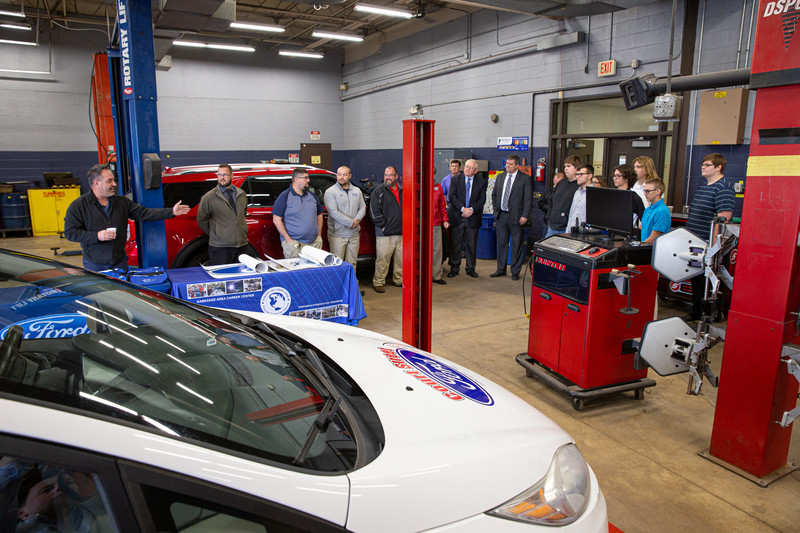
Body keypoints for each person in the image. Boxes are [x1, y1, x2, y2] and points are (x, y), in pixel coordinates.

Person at [64, 164, 190, 271]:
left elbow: (145, 213)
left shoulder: (121, 202)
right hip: (95, 265)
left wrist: (171, 212)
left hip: (120, 262)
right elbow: (70, 233)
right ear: (97, 183)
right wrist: (97, 236)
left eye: (113, 180)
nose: (114, 184)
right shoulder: (79, 206)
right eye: (109, 181)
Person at [684, 153, 734, 321]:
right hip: (695, 243)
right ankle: (696, 312)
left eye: (707, 165)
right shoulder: (704, 186)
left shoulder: (723, 188)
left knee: (707, 282)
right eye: (703, 165)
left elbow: (723, 219)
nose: (703, 167)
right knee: (696, 281)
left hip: (708, 245)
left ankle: (710, 315)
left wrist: (714, 248)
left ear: (718, 167)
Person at [196, 164, 248, 266]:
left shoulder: (241, 194)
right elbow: (201, 219)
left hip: (242, 245)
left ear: (232, 176)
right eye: (219, 175)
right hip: (220, 248)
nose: (222, 178)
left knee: (242, 277)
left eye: (225, 175)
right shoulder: (209, 197)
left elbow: (243, 213)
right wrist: (217, 234)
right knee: (222, 278)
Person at [490, 154, 531, 281]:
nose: (507, 166)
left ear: (517, 165)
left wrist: (525, 215)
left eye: (511, 164)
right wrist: (496, 210)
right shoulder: (501, 177)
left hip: (517, 217)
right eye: (507, 163)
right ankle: (501, 270)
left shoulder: (524, 179)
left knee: (517, 245)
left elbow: (528, 199)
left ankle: (515, 271)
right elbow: (495, 195)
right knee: (501, 244)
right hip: (502, 216)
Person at [272, 168, 325, 259]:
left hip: (314, 243)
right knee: (296, 272)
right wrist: (288, 239)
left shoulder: (311, 195)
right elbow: (276, 220)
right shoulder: (284, 196)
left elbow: (319, 214)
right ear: (296, 179)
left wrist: (319, 235)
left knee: (313, 272)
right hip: (295, 245)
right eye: (305, 178)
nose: (308, 180)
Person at [448, 159, 487, 279]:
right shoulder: (455, 179)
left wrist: (471, 210)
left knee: (471, 245)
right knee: (456, 244)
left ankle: (470, 268)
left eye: (470, 168)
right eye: (466, 167)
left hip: (473, 218)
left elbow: (482, 200)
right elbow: (452, 197)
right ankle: (454, 268)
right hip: (458, 217)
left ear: (475, 171)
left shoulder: (481, 182)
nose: (467, 169)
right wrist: (462, 209)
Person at [324, 165, 366, 273]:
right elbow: (333, 212)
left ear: (350, 176)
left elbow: (362, 207)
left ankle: (351, 286)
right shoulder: (330, 192)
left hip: (354, 234)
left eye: (345, 174)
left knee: (352, 263)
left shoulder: (357, 190)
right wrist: (351, 222)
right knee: (337, 264)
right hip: (338, 235)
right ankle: (338, 289)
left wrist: (356, 221)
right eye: (339, 174)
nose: (341, 177)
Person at [369, 166, 403, 293]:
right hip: (385, 233)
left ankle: (399, 280)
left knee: (401, 260)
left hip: (401, 232)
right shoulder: (378, 191)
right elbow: (374, 211)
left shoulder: (403, 190)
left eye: (390, 175)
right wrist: (383, 226)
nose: (387, 177)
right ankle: (379, 282)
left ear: (396, 176)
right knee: (382, 260)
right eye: (386, 175)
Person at [544, 155, 581, 237]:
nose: (566, 168)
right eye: (565, 166)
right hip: (552, 226)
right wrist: (549, 217)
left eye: (569, 166)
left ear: (577, 168)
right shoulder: (561, 183)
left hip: (566, 228)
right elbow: (552, 202)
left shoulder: (579, 187)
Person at [612, 164, 645, 228]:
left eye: (618, 176)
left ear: (627, 178)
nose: (614, 178)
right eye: (614, 176)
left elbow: (644, 219)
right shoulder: (613, 195)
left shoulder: (634, 198)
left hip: (627, 234)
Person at [640, 178, 671, 244]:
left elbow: (653, 239)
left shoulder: (661, 211)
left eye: (647, 191)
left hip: (652, 250)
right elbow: (641, 229)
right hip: (644, 247)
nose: (645, 194)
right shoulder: (648, 209)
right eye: (644, 191)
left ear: (658, 191)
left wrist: (638, 246)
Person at [432, 178, 449, 284]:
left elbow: (442, 206)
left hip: (436, 224)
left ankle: (436, 275)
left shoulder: (438, 187)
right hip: (421, 225)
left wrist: (445, 220)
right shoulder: (418, 186)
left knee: (437, 251)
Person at [567, 164, 593, 230]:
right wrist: (568, 229)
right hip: (573, 231)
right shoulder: (577, 192)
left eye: (581, 174)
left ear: (589, 176)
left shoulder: (594, 193)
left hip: (586, 233)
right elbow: (572, 213)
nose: (578, 177)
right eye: (577, 174)